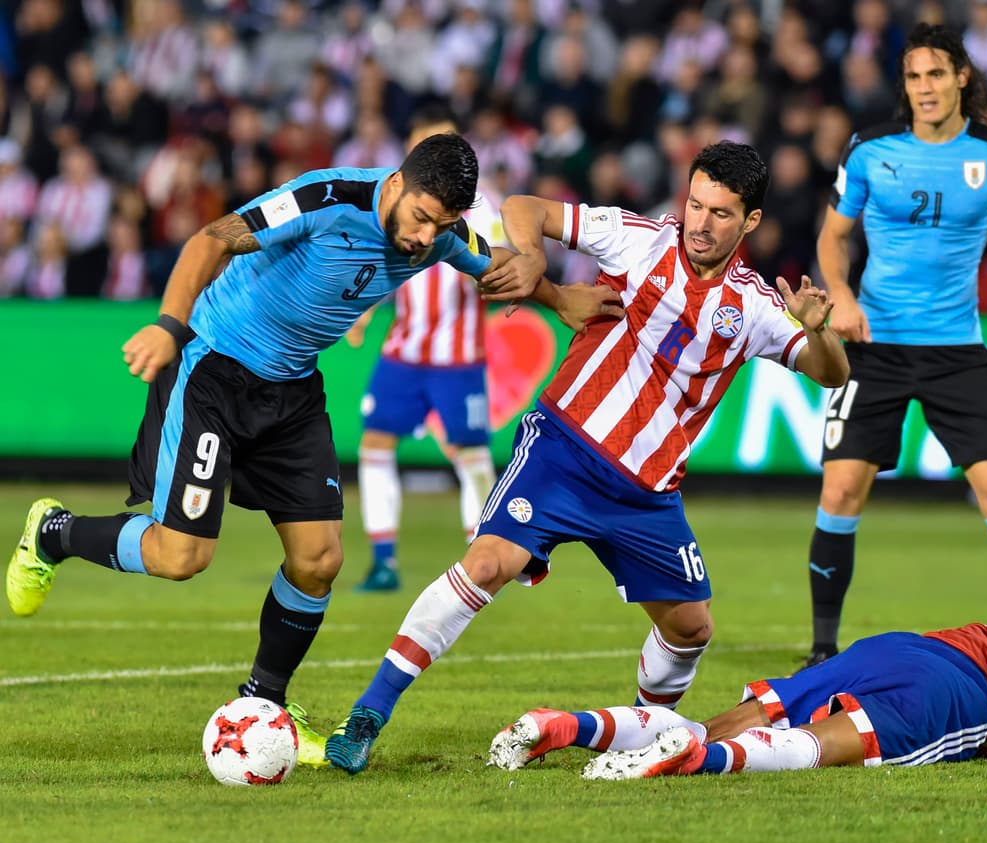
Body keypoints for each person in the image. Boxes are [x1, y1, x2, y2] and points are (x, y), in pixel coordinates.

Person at [5, 134, 612, 767]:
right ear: (398, 184)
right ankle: (55, 533)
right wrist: (168, 327)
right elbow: (210, 240)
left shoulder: (442, 236)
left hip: (292, 392)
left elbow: (498, 266)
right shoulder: (327, 198)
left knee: (319, 560)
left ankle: (266, 702)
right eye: (422, 218)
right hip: (215, 369)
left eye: (443, 226)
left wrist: (561, 297)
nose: (426, 238)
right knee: (180, 555)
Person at [323, 141, 851, 774]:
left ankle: (643, 736)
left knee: (690, 628)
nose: (701, 224)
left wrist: (816, 329)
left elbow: (830, 373)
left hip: (647, 493)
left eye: (720, 213)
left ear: (752, 221)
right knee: (487, 563)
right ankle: (368, 714)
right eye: (695, 204)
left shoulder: (758, 307)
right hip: (562, 451)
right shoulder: (639, 239)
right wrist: (531, 260)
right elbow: (525, 206)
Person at [802, 24, 987, 668]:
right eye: (914, 77)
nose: (925, 88)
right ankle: (822, 649)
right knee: (839, 494)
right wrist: (842, 296)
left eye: (937, 74)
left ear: (962, 78)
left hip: (957, 351)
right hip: (875, 346)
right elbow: (832, 239)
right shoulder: (868, 151)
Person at [487, 618, 987, 779]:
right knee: (837, 745)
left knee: (748, 712)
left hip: (908, 645)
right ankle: (696, 764)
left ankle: (574, 725)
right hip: (961, 694)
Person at [345, 108, 508, 593]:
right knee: (375, 444)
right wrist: (365, 310)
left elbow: (499, 263)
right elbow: (380, 255)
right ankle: (383, 563)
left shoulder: (483, 206)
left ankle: (487, 559)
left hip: (457, 357)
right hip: (404, 350)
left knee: (470, 452)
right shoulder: (399, 194)